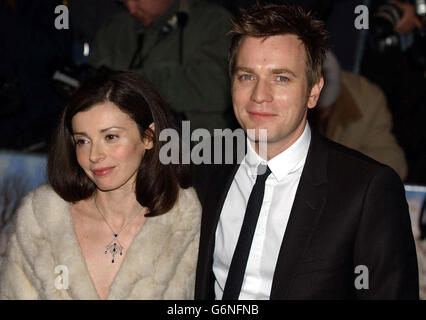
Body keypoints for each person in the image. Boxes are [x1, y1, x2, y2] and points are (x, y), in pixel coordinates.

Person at [193, 3, 419, 299]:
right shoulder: (204, 172)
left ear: (314, 91)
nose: (260, 96)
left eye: (281, 78)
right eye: (247, 76)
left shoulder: (366, 191)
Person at [0, 71, 201, 299]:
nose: (94, 155)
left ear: (149, 137)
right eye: (83, 141)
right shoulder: (40, 220)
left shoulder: (184, 222)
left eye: (111, 137)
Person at [89, 0, 233, 132]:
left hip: (194, 149)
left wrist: (132, 83)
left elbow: (219, 89)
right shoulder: (114, 29)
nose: (131, 8)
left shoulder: (213, 22)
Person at [309, 51, 408, 180]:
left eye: (323, 111)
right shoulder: (279, 99)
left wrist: (339, 172)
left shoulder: (365, 98)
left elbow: (393, 162)